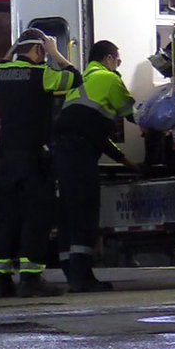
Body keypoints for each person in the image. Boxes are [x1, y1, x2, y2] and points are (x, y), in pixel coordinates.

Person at [0, 29, 82, 298]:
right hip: (33, 158)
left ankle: (1, 280)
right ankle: (30, 278)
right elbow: (74, 79)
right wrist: (56, 53)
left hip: (7, 158)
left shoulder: (0, 75)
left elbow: (2, 63)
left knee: (8, 217)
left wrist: (16, 47)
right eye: (43, 51)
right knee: (36, 217)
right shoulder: (42, 74)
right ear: (39, 51)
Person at [50, 40, 134, 292]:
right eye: (118, 60)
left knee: (67, 212)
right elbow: (132, 111)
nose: (118, 65)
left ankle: (71, 272)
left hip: (62, 153)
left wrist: (125, 161)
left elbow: (95, 135)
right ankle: (82, 277)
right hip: (79, 154)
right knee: (84, 212)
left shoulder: (80, 83)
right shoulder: (108, 79)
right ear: (109, 59)